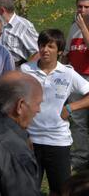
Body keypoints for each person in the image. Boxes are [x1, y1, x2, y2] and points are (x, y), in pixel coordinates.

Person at [21, 29, 89, 196]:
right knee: (27, 190)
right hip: (30, 140)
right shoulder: (25, 70)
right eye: (42, 45)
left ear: (59, 51)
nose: (45, 50)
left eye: (50, 46)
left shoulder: (68, 73)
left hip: (58, 142)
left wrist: (71, 107)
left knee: (60, 191)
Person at [64, 0, 89, 171]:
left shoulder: (81, 26)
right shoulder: (73, 27)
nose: (82, 10)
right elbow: (67, 53)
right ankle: (81, 157)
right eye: (79, 6)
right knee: (78, 121)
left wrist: (84, 27)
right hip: (76, 79)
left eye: (86, 7)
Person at [0, 0, 39, 66]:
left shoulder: (23, 26)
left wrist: (24, 70)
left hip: (14, 69)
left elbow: (38, 53)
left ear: (2, 10)